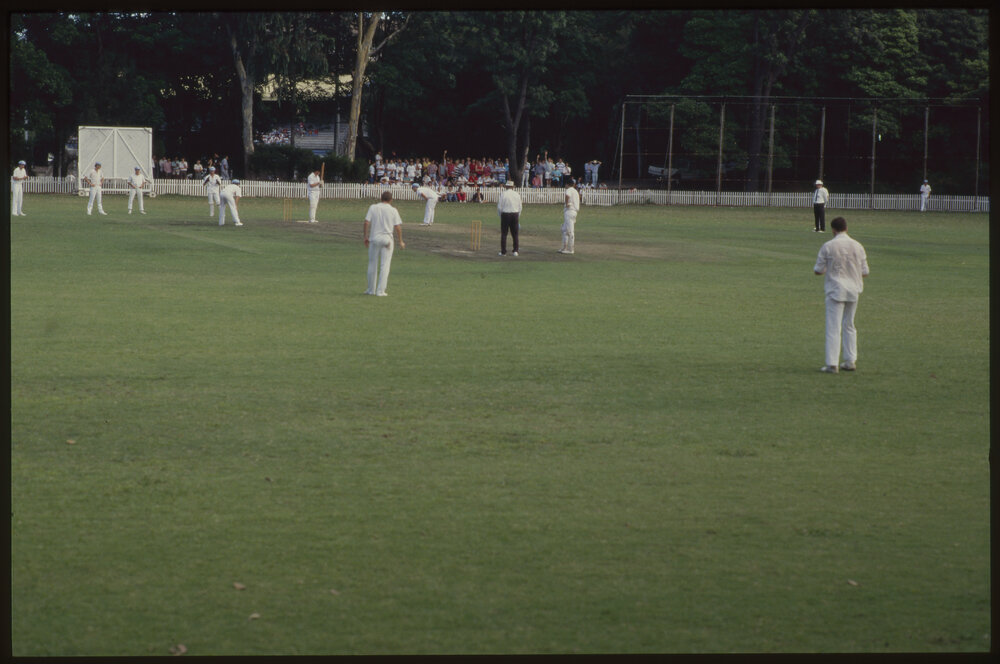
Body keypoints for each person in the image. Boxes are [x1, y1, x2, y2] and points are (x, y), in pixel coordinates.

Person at [814, 216, 869, 374]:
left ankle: (832, 364)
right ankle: (850, 360)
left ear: (833, 230)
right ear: (846, 228)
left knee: (833, 326)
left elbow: (818, 270)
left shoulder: (829, 246)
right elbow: (865, 272)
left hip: (835, 288)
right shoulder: (858, 246)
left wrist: (829, 269)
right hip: (853, 289)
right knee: (849, 325)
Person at [363, 190, 405, 296]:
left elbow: (366, 222)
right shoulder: (393, 210)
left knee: (372, 264)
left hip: (374, 239)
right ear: (391, 200)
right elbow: (398, 227)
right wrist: (400, 241)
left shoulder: (373, 207)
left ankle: (370, 289)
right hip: (387, 240)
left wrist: (365, 237)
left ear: (381, 198)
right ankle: (380, 291)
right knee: (385, 266)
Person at [497, 180, 522, 257]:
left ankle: (503, 252)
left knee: (504, 234)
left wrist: (500, 216)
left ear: (507, 187)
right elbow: (520, 207)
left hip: (505, 214)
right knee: (515, 234)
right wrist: (518, 215)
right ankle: (515, 251)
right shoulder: (516, 194)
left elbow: (499, 207)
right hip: (515, 214)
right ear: (512, 187)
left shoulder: (503, 194)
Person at [559, 178, 581, 254]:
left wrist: (567, 203)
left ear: (567, 184)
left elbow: (567, 196)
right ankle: (564, 248)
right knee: (564, 230)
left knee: (570, 230)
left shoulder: (569, 190)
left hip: (570, 211)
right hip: (574, 211)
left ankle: (571, 249)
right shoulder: (575, 191)